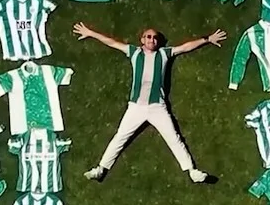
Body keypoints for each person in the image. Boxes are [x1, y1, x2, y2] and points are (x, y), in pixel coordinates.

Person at [72, 22, 227, 184]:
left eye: (154, 38)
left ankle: (192, 171)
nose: (152, 40)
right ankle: (100, 169)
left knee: (174, 138)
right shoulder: (134, 52)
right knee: (120, 137)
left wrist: (207, 39)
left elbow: (185, 47)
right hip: (136, 107)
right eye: (148, 37)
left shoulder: (164, 54)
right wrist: (91, 33)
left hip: (157, 107)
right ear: (142, 40)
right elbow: (112, 42)